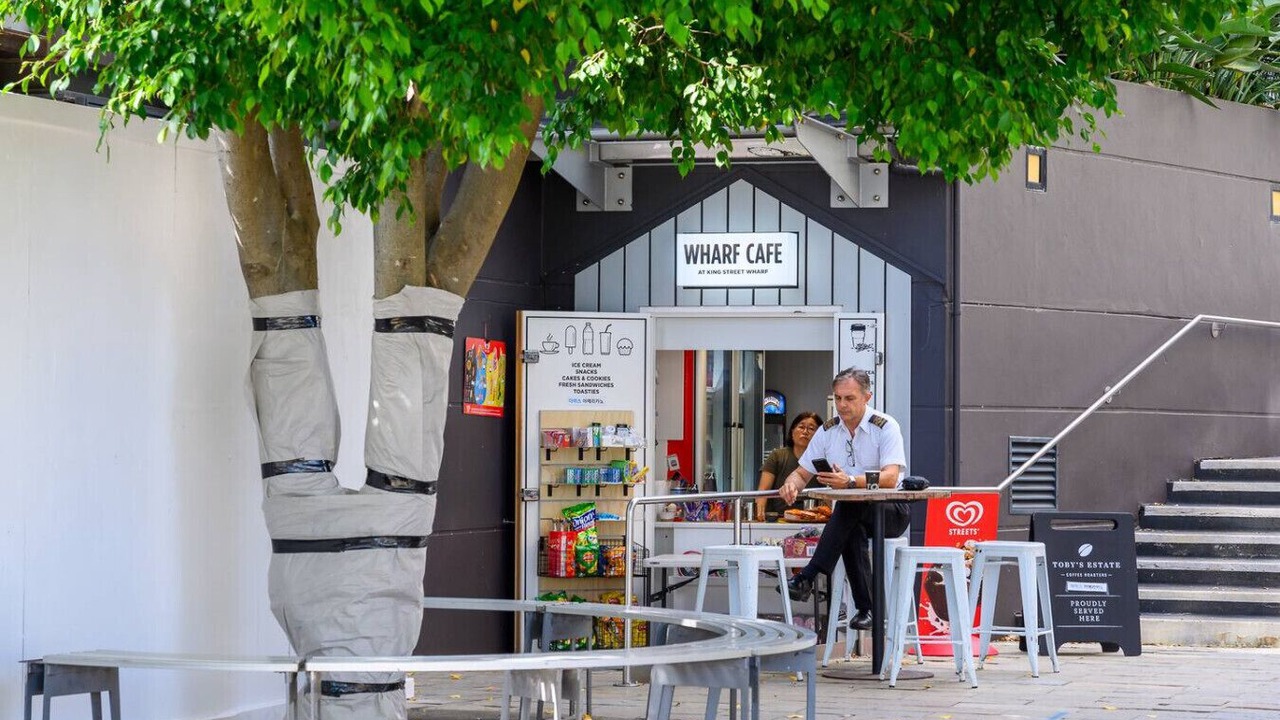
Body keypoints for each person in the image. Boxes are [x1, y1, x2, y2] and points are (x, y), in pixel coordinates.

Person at [777, 367, 908, 630]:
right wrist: (791, 484)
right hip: (852, 515)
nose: (842, 405)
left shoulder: (885, 426)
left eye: (849, 398)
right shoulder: (828, 431)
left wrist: (850, 481)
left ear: (867, 397)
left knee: (849, 504)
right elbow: (802, 473)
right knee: (851, 525)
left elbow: (890, 477)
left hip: (891, 510)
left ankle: (809, 576)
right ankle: (867, 610)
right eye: (837, 398)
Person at [755, 412, 825, 520]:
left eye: (811, 429)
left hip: (813, 519)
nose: (805, 432)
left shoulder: (822, 460)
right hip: (779, 518)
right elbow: (763, 490)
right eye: (801, 427)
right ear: (792, 431)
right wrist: (760, 515)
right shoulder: (777, 456)